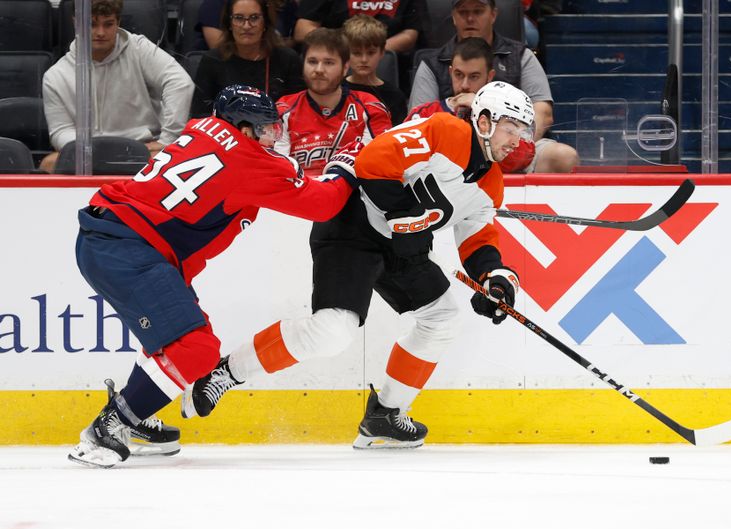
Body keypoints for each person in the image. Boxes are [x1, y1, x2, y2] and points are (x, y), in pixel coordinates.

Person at [181, 81, 534, 450]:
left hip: (401, 244)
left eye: (522, 132)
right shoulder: (446, 131)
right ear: (483, 121)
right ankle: (224, 374)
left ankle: (384, 415)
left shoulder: (491, 184)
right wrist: (405, 216)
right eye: (511, 128)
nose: (516, 140)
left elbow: (477, 238)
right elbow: (374, 161)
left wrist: (493, 277)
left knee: (442, 316)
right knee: (333, 331)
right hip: (354, 221)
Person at [68, 85, 357, 468]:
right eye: (266, 128)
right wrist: (345, 169)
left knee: (180, 338)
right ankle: (112, 425)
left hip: (113, 237)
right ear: (243, 127)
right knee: (195, 349)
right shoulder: (252, 159)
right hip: (131, 248)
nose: (274, 136)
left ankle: (134, 415)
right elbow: (323, 204)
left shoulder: (202, 128)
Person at [409, 0, 578, 173]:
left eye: (478, 11)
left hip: (517, 144)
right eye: (463, 12)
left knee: (563, 157)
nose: (470, 18)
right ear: (453, 17)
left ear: (493, 15)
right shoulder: (431, 63)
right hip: (449, 152)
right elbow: (418, 122)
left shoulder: (520, 56)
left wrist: (509, 147)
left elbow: (543, 113)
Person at [41, 0, 194, 173]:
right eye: (91, 24)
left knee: (166, 157)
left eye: (108, 24)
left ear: (118, 22)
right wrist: (96, 151)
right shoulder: (55, 76)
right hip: (89, 154)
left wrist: (168, 139)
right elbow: (60, 131)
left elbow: (180, 83)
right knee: (49, 163)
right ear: (76, 22)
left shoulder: (139, 49)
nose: (100, 32)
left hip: (142, 149)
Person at [406, 37, 534, 173]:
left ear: (489, 76)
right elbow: (408, 157)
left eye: (474, 76)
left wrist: (481, 107)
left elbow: (522, 158)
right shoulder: (425, 113)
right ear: (450, 72)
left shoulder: (507, 114)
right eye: (458, 75)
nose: (465, 85)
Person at [274, 28, 392, 172]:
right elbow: (277, 169)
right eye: (312, 61)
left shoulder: (369, 107)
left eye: (328, 63)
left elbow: (375, 167)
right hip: (300, 190)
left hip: (352, 191)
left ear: (345, 67)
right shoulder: (283, 108)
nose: (318, 69)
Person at [190, 0, 305, 117]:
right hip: (225, 132)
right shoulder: (212, 61)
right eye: (239, 18)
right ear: (229, 23)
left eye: (254, 18)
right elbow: (200, 115)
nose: (246, 26)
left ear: (265, 22)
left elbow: (298, 114)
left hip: (275, 132)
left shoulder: (287, 59)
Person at [343, 15, 408, 126]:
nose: (364, 60)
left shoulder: (394, 96)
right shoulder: (335, 90)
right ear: (346, 53)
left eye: (371, 53)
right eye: (357, 53)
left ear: (382, 52)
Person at [292, 0, 425, 54]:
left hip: (384, 59)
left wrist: (372, 51)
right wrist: (342, 47)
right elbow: (302, 29)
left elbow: (410, 33)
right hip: (335, 54)